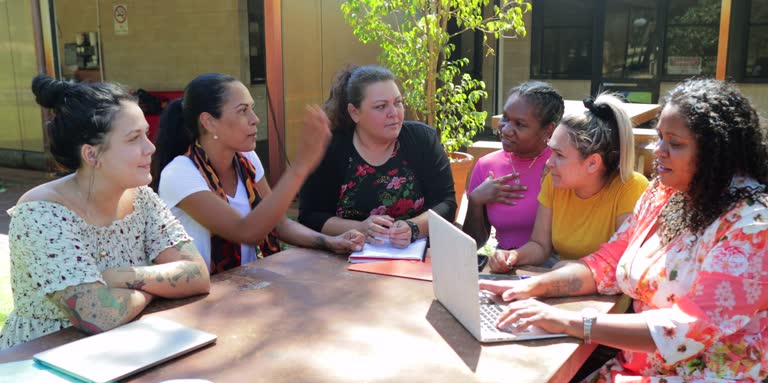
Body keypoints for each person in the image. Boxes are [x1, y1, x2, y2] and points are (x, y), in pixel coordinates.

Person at [481, 78, 768, 383]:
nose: (659, 150)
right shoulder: (665, 195)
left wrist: (571, 322)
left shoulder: (752, 226)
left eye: (674, 144)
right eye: (660, 137)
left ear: (717, 152)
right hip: (643, 369)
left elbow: (686, 327)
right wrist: (533, 286)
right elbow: (607, 261)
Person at [0, 75, 211, 349]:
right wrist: (155, 285)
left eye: (146, 134)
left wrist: (122, 277)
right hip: (41, 360)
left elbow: (197, 275)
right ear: (91, 155)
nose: (151, 147)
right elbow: (99, 314)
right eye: (134, 138)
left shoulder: (142, 198)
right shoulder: (41, 214)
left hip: (123, 347)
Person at [153, 73, 364, 275]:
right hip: (202, 298)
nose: (255, 119)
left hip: (244, 284)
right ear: (209, 122)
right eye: (242, 110)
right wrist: (300, 167)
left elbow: (278, 223)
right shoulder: (179, 173)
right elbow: (247, 232)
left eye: (252, 109)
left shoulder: (247, 159)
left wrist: (330, 241)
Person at [298, 65, 456, 248]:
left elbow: (446, 203)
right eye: (381, 106)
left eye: (398, 102)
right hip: (345, 259)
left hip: (414, 258)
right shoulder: (331, 149)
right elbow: (310, 216)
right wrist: (360, 228)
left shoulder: (422, 140)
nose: (394, 113)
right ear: (354, 112)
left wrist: (413, 227)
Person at [489, 93, 649, 272]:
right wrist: (514, 256)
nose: (549, 162)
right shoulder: (555, 180)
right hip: (565, 284)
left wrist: (572, 270)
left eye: (559, 155)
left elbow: (622, 263)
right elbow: (540, 246)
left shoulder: (632, 188)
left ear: (592, 163)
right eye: (551, 152)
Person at [463, 81, 564, 251]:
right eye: (505, 118)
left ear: (548, 130)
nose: (506, 129)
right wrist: (475, 202)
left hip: (553, 267)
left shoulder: (559, 165)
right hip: (504, 264)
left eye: (520, 124)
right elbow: (473, 244)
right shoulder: (486, 166)